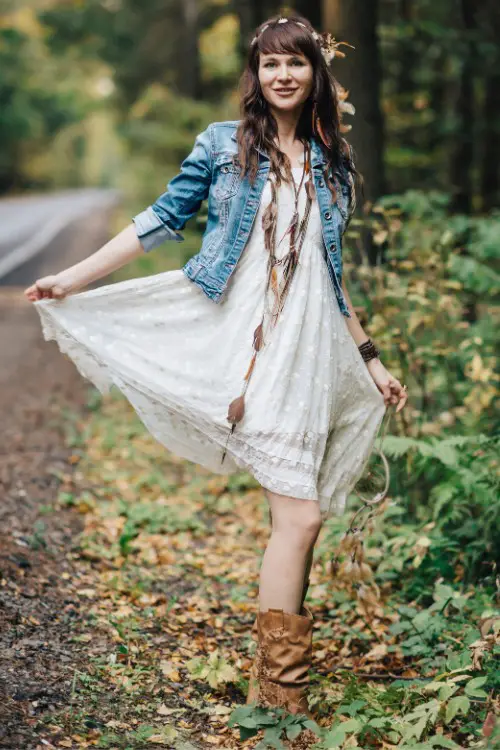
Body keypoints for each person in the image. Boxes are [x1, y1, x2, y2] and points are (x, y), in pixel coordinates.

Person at [25, 13, 407, 733]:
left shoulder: (334, 161)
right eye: (270, 64)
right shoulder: (224, 147)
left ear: (316, 73)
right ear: (255, 76)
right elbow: (160, 221)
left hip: (310, 353)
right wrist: (71, 279)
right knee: (302, 514)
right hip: (245, 346)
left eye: (296, 63)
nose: (283, 76)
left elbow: (333, 277)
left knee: (301, 522)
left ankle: (276, 693)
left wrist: (373, 358)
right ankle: (281, 699)